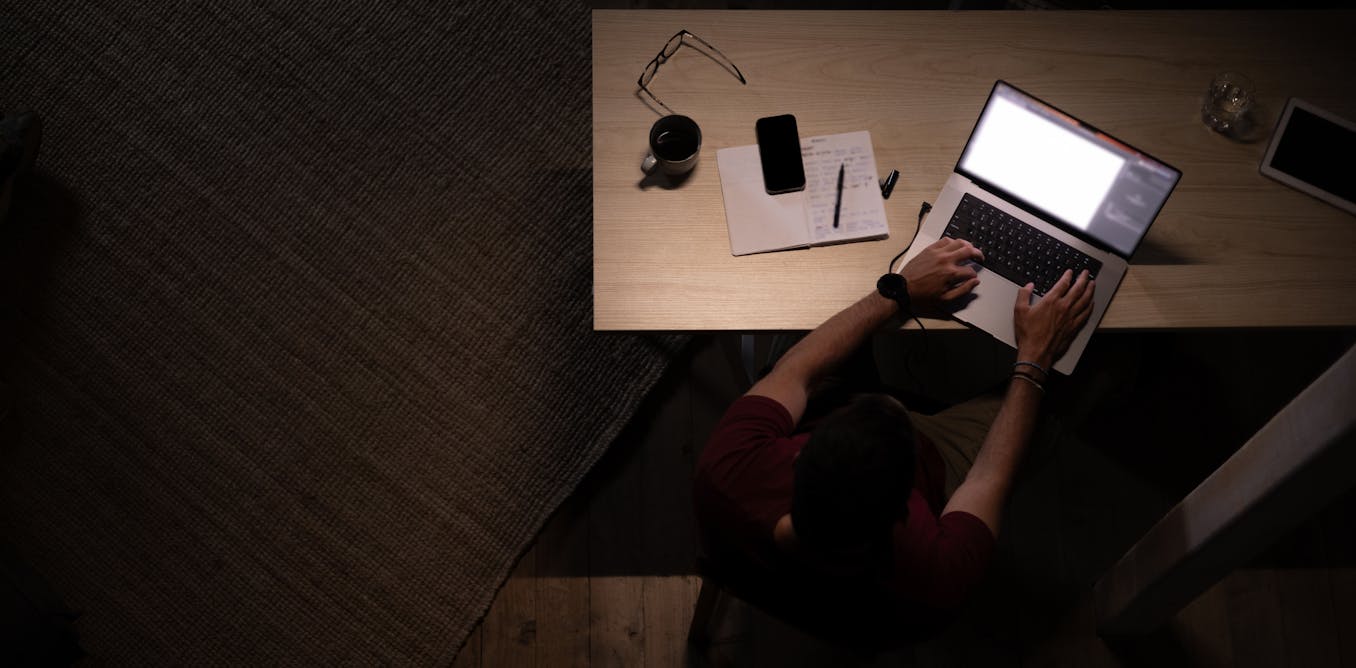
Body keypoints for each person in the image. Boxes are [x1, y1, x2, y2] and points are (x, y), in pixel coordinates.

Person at [692, 237, 1094, 644]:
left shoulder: (725, 471)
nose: (890, 401)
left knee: (796, 338)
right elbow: (987, 479)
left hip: (770, 574)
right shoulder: (937, 579)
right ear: (908, 506)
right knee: (1071, 389)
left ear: (800, 458)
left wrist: (897, 291)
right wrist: (1034, 359)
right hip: (938, 460)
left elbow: (797, 371)